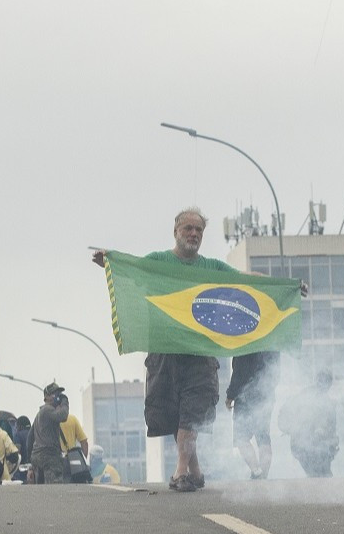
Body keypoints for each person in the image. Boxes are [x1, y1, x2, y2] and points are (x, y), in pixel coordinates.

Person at [92, 207, 238, 492]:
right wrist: (110, 262)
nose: (193, 234)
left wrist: (289, 287)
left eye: (199, 230)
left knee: (192, 411)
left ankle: (180, 472)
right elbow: (130, 270)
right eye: (188, 228)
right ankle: (195, 470)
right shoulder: (158, 262)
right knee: (174, 411)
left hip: (199, 353)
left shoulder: (212, 268)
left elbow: (247, 282)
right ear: (176, 231)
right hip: (164, 351)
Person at [226, 351, 280, 480]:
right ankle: (264, 475)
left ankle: (256, 470)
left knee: (241, 438)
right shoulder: (271, 340)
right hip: (266, 395)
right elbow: (275, 374)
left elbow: (239, 371)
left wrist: (230, 395)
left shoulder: (247, 340)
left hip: (245, 395)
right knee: (263, 436)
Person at [279, 370, 341, 479]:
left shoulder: (303, 395)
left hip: (302, 445)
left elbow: (283, 416)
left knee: (317, 474)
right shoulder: (324, 401)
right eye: (322, 381)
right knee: (322, 475)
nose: (323, 385)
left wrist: (289, 429)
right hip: (309, 445)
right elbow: (327, 427)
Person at [30, 382, 70, 484]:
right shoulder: (47, 410)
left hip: (38, 455)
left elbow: (30, 437)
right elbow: (63, 416)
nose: (57, 397)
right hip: (49, 456)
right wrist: (65, 402)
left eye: (58, 394)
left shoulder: (40, 413)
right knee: (54, 488)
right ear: (46, 397)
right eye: (54, 394)